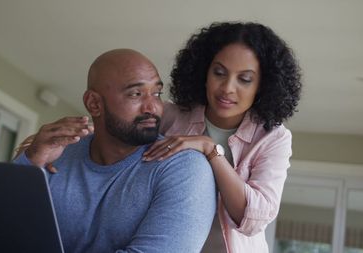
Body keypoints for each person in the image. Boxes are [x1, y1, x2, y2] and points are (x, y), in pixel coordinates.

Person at [14, 49, 216, 253]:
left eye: (156, 94)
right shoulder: (55, 153)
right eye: (136, 94)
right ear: (94, 104)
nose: (152, 107)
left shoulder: (185, 167)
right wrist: (30, 164)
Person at [142, 22, 302, 253]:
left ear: (262, 86)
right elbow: (116, 137)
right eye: (219, 73)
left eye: (244, 79)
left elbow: (253, 218)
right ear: (204, 72)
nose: (227, 88)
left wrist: (211, 150)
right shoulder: (169, 116)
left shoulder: (273, 138)